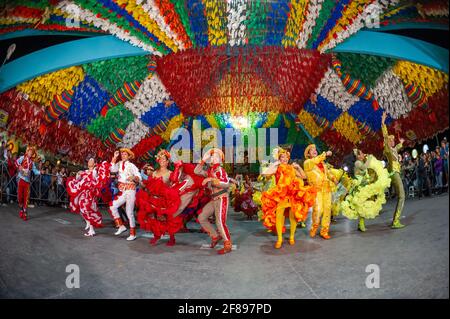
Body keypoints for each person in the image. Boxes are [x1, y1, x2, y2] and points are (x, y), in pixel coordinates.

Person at [260, 147, 316, 248]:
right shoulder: (277, 167)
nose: (284, 159)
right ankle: (280, 239)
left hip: (292, 196)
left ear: (288, 158)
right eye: (282, 157)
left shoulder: (291, 168)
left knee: (292, 217)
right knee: (279, 217)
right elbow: (264, 173)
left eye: (286, 157)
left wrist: (298, 167)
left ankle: (291, 237)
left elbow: (303, 177)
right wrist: (274, 164)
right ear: (279, 158)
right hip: (281, 197)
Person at [136, 150, 182, 246]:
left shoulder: (170, 173)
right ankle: (156, 236)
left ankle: (172, 238)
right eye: (160, 159)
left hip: (164, 200)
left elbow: (174, 182)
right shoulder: (154, 172)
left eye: (164, 159)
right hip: (153, 199)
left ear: (167, 161)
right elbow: (148, 185)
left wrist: (177, 167)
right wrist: (139, 182)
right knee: (153, 219)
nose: (162, 161)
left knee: (167, 219)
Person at [341, 149, 391, 232]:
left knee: (363, 205)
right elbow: (364, 167)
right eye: (361, 153)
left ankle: (361, 224)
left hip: (362, 184)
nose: (363, 154)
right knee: (362, 205)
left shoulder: (360, 162)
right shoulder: (358, 162)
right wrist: (370, 158)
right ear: (357, 156)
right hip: (360, 186)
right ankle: (361, 224)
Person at [194, 148, 233, 254]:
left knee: (220, 222)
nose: (213, 158)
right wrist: (203, 160)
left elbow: (226, 184)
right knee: (201, 217)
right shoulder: (210, 171)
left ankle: (227, 243)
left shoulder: (220, 170)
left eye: (216, 156)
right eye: (212, 156)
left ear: (220, 160)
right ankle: (215, 236)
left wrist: (211, 179)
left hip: (221, 198)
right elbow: (196, 171)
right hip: (214, 199)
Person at [66, 158, 111, 236]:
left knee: (88, 210)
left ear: (94, 164)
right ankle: (88, 223)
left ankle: (91, 230)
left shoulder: (95, 171)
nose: (89, 162)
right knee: (81, 209)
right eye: (89, 161)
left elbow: (97, 180)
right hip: (83, 193)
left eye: (91, 161)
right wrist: (78, 174)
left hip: (90, 194)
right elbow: (78, 180)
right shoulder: (85, 171)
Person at [303, 144, 336, 239]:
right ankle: (314, 227)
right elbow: (315, 160)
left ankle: (324, 231)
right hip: (316, 190)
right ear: (308, 154)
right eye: (311, 150)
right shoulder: (308, 162)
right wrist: (325, 154)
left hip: (326, 189)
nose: (314, 151)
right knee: (318, 209)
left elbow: (328, 173)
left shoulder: (323, 164)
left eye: (315, 149)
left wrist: (334, 178)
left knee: (327, 209)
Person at [109, 148, 142, 241]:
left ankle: (133, 233)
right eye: (122, 154)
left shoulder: (132, 165)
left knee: (129, 212)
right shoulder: (119, 164)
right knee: (112, 206)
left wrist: (134, 178)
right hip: (122, 191)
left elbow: (139, 176)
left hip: (131, 190)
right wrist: (114, 157)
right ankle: (121, 226)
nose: (123, 156)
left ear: (129, 156)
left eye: (125, 154)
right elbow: (112, 169)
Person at [381, 111, 406, 229]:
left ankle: (396, 220)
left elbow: (397, 147)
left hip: (396, 173)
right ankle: (396, 221)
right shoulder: (388, 150)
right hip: (393, 173)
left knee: (401, 195)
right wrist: (383, 121)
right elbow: (385, 136)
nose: (392, 141)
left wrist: (400, 143)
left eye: (393, 140)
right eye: (391, 140)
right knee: (402, 196)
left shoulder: (394, 149)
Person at [15, 146, 40, 220]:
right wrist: (20, 167)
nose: (30, 153)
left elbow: (35, 171)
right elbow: (16, 162)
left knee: (26, 197)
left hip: (27, 182)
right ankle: (21, 208)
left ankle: (25, 212)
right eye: (29, 151)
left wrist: (40, 172)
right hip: (21, 179)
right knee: (20, 197)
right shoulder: (22, 158)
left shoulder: (32, 162)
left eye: (32, 152)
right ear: (27, 151)